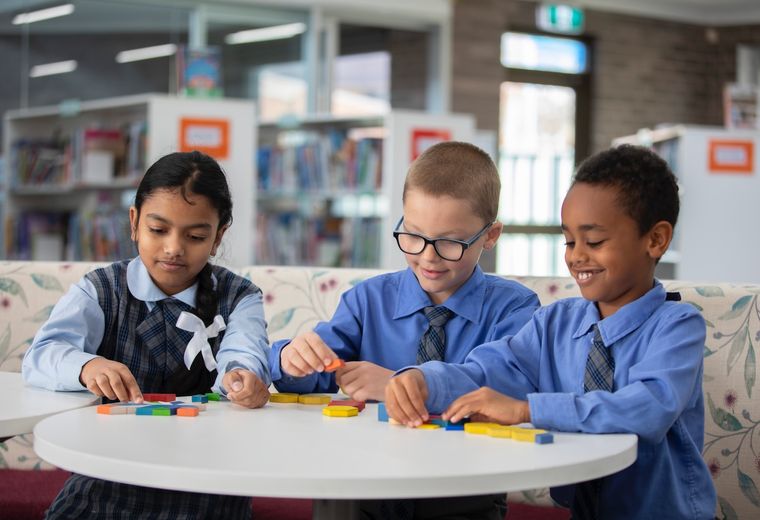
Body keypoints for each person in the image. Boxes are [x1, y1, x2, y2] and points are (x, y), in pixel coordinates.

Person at [386, 144, 717, 519]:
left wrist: (527, 409)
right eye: (569, 241)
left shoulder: (677, 326)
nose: (577, 256)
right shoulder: (554, 324)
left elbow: (647, 407)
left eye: (593, 242)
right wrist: (427, 380)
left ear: (655, 240)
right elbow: (489, 370)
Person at [270, 141, 540, 519]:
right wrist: (288, 358)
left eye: (449, 242)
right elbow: (315, 371)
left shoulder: (515, 308)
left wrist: (403, 384)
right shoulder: (367, 300)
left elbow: (503, 382)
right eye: (413, 235)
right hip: (361, 488)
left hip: (465, 496)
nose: (427, 256)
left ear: (490, 236)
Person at [22, 150, 271, 520]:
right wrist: (87, 365)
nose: (174, 248)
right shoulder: (101, 290)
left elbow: (245, 350)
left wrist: (243, 377)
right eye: (159, 230)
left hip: (208, 489)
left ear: (218, 237)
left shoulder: (240, 297)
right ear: (135, 222)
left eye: (196, 236)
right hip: (107, 484)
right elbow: (43, 355)